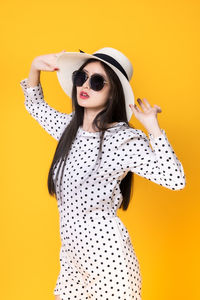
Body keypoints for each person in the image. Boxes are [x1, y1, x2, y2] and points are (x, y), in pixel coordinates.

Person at [20, 47, 186, 300]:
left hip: (107, 257)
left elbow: (175, 180)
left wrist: (153, 129)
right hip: (72, 255)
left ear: (112, 93)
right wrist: (34, 67)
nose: (85, 85)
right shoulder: (68, 129)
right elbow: (34, 105)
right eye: (81, 77)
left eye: (97, 82)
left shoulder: (122, 140)